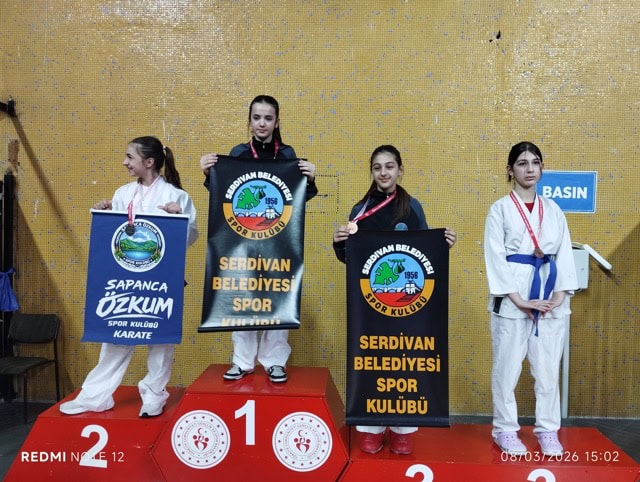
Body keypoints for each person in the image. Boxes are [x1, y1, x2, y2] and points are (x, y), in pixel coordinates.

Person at [60, 136, 198, 417]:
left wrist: (178, 218)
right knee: (117, 336)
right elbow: (114, 238)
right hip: (127, 279)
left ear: (149, 162)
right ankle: (95, 397)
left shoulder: (176, 196)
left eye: (130, 157)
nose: (125, 162)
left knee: (161, 339)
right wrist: (105, 216)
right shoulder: (123, 194)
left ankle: (154, 396)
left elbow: (188, 238)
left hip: (161, 281)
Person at [332, 144, 456, 455]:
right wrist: (338, 243)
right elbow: (351, 260)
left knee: (404, 361)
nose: (384, 173)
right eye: (377, 167)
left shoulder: (412, 207)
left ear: (401, 170)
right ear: (372, 172)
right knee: (372, 360)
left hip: (408, 305)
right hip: (371, 302)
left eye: (389, 166)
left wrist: (443, 245)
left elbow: (425, 253)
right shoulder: (359, 210)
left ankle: (403, 429)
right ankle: (371, 428)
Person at [199, 95, 318, 384]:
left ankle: (275, 362)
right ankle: (242, 362)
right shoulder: (238, 153)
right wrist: (209, 174)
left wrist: (311, 179)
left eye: (268, 118)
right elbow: (224, 196)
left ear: (277, 122)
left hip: (278, 241)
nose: (262, 123)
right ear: (250, 121)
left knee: (278, 298)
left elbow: (296, 200)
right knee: (243, 297)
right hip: (242, 241)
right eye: (257, 118)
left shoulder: (287, 155)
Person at [484, 141, 578, 456]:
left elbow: (564, 254)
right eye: (522, 163)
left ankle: (548, 430)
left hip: (550, 296)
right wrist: (519, 300)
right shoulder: (499, 209)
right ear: (510, 170)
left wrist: (560, 295)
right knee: (506, 369)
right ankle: (505, 429)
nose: (529, 169)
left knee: (548, 369)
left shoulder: (553, 210)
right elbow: (495, 257)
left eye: (535, 162)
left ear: (541, 168)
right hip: (513, 300)